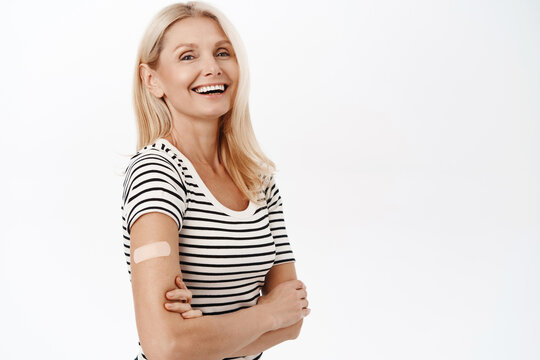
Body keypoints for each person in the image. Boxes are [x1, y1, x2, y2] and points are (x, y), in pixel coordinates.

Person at [120, 2, 310, 360]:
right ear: (152, 79)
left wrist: (199, 336)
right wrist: (268, 312)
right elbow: (165, 346)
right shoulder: (157, 173)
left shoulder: (256, 178)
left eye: (223, 52)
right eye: (187, 56)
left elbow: (294, 320)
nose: (212, 68)